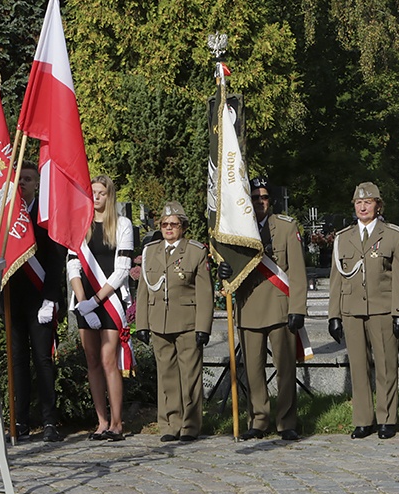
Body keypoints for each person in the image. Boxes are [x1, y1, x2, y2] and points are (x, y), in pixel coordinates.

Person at [218, 177, 307, 440]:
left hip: (280, 305)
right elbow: (231, 270)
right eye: (255, 198)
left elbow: (298, 272)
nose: (259, 202)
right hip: (249, 306)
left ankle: (286, 422)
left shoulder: (286, 227)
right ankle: (257, 421)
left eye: (264, 197)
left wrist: (298, 308)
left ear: (271, 201)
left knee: (285, 368)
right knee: (254, 371)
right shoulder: (238, 230)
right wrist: (224, 273)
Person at [327, 182, 399, 440]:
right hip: (352, 310)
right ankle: (363, 420)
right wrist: (334, 315)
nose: (363, 207)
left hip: (382, 309)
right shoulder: (343, 238)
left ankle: (387, 418)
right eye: (358, 203)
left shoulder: (393, 235)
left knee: (386, 365)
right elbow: (336, 279)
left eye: (368, 202)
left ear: (378, 206)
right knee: (358, 367)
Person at [135, 201, 213, 443]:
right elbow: (143, 290)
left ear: (183, 227)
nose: (169, 228)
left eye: (174, 224)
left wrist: (203, 327)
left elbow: (204, 293)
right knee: (166, 376)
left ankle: (190, 424)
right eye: (165, 224)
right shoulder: (151, 251)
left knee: (190, 375)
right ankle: (170, 424)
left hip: (187, 322)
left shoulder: (195, 251)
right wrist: (142, 324)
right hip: (159, 321)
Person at [67, 175, 134, 442]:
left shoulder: (122, 225)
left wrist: (95, 302)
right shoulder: (79, 225)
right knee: (92, 362)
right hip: (85, 303)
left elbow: (122, 270)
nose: (96, 197)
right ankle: (101, 421)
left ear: (110, 196)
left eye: (101, 193)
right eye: (92, 192)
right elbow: (73, 265)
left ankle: (117, 423)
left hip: (110, 302)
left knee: (108, 362)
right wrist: (83, 302)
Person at [8, 161, 64, 442]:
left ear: (36, 184)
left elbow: (56, 260)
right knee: (17, 361)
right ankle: (20, 422)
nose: (23, 184)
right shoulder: (7, 217)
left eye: (28, 179)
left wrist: (51, 299)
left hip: (40, 299)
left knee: (42, 360)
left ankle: (50, 421)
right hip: (14, 300)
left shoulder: (44, 215)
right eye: (19, 180)